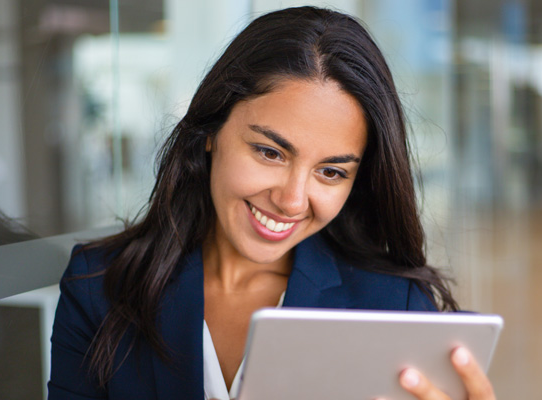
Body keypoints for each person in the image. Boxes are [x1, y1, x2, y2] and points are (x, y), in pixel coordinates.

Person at [49, 7, 496, 400]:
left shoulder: (391, 305)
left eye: (332, 172)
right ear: (211, 132)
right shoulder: (99, 287)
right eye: (270, 152)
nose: (291, 200)